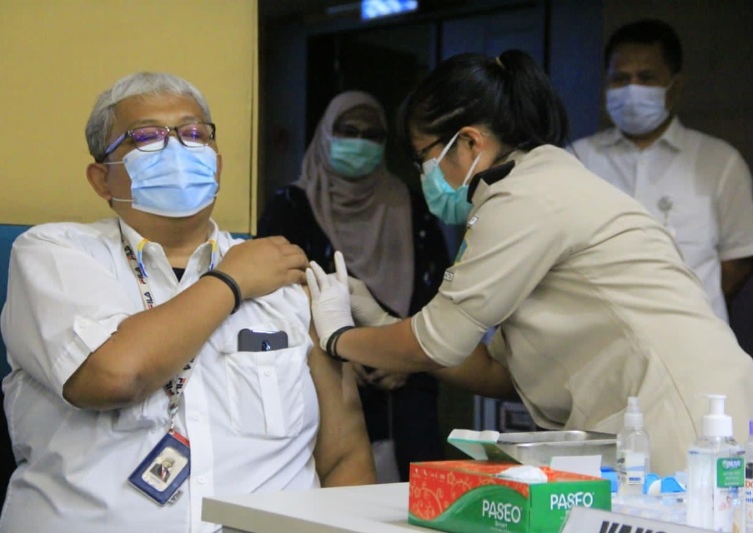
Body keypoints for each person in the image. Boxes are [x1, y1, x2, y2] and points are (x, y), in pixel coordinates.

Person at [304, 50, 753, 476]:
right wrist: (381, 320)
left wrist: (339, 337)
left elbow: (435, 343)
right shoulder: (527, 186)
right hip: (663, 418)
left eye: (424, 158)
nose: (426, 176)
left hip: (683, 420)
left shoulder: (525, 199)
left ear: (469, 142)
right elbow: (497, 371)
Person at [0, 72, 374, 533]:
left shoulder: (283, 278)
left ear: (216, 164)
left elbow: (345, 457)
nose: (177, 147)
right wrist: (232, 280)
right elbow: (114, 374)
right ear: (101, 178)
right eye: (147, 137)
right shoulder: (57, 253)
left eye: (194, 133)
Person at [257, 90, 448, 482]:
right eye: (349, 130)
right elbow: (276, 296)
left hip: (409, 383)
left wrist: (404, 356)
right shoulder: (291, 206)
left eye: (372, 134)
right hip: (324, 375)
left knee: (417, 500)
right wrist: (351, 350)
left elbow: (442, 297)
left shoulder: (414, 208)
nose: (360, 140)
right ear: (327, 134)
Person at [570, 18, 753, 323]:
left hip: (694, 344)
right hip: (596, 344)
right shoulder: (576, 159)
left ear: (675, 85)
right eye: (620, 78)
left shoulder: (719, 161)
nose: (632, 89)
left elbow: (739, 259)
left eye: (646, 78)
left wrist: (689, 309)